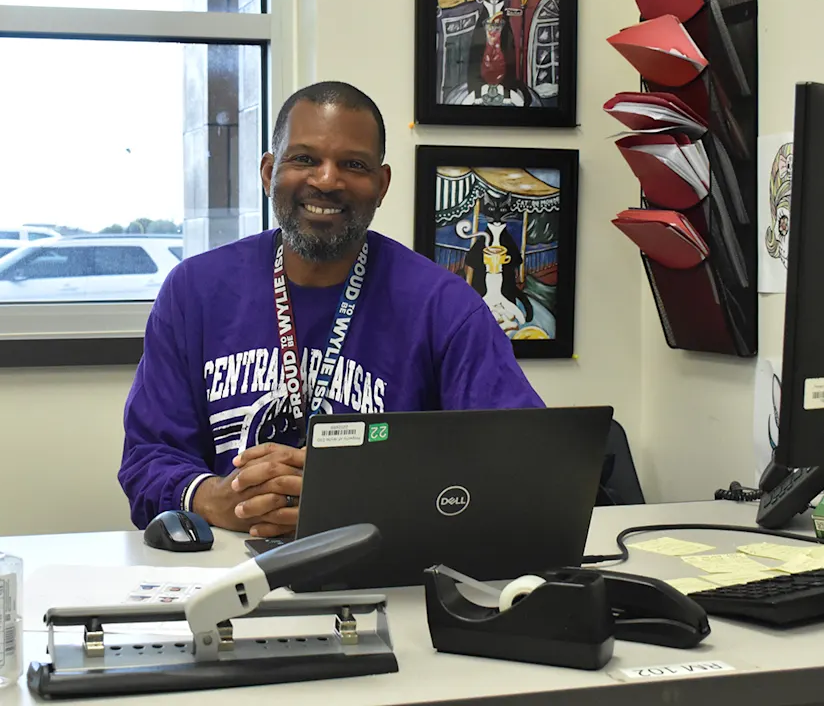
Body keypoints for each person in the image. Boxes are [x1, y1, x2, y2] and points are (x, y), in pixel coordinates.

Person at [117, 81, 546, 537]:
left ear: (381, 186)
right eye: (304, 159)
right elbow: (147, 457)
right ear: (268, 173)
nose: (326, 181)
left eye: (353, 165)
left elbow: (519, 465)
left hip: (383, 571)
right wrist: (213, 499)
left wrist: (358, 500)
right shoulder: (194, 292)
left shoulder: (444, 306)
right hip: (223, 573)